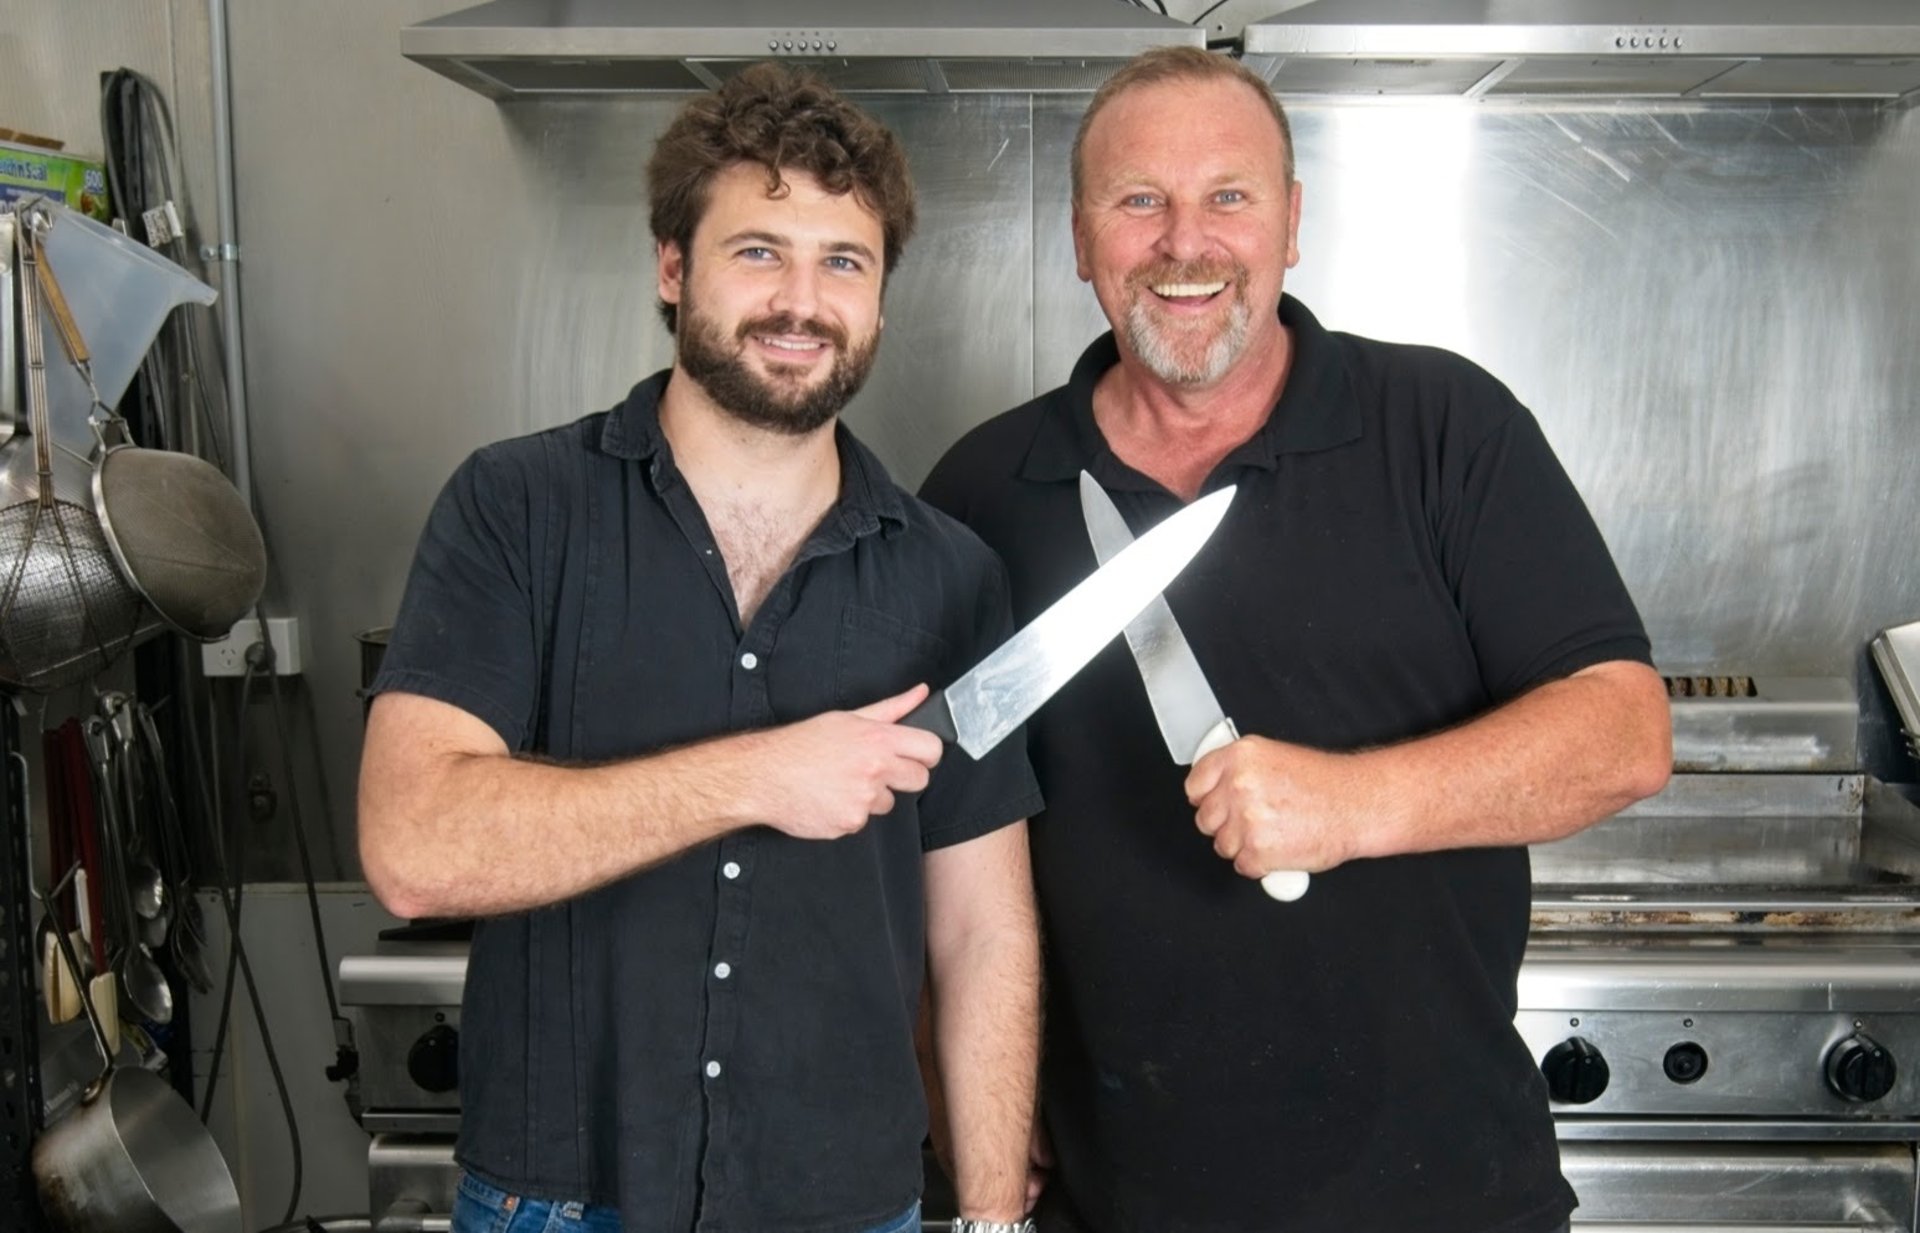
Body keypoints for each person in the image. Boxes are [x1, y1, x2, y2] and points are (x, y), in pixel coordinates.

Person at [921, 46, 1673, 1233]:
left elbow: (1624, 731)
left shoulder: (1444, 427)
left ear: (1291, 224)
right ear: (1080, 238)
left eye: (1229, 196)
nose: (1186, 243)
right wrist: (961, 1103)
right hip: (1115, 1200)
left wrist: (1353, 806)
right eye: (1139, 202)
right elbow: (945, 844)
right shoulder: (983, 490)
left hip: (1444, 1196)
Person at [360, 65, 1043, 1233]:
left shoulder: (950, 576)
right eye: (758, 251)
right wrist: (758, 776)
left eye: (844, 262)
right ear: (673, 269)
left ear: (879, 301)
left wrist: (991, 1218)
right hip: (555, 1202)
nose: (802, 300)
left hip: (850, 1202)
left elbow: (983, 931)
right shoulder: (515, 510)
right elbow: (416, 847)